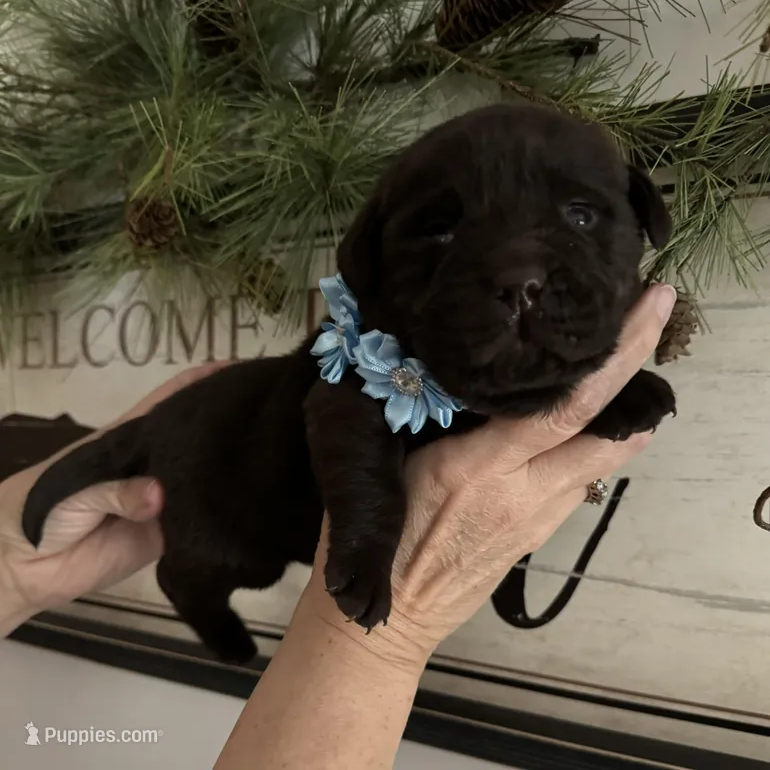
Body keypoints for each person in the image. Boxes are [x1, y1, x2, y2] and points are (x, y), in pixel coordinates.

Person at [0, 284, 677, 769]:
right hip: (221, 490)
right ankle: (193, 589)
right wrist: (383, 638)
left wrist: (11, 570)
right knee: (226, 558)